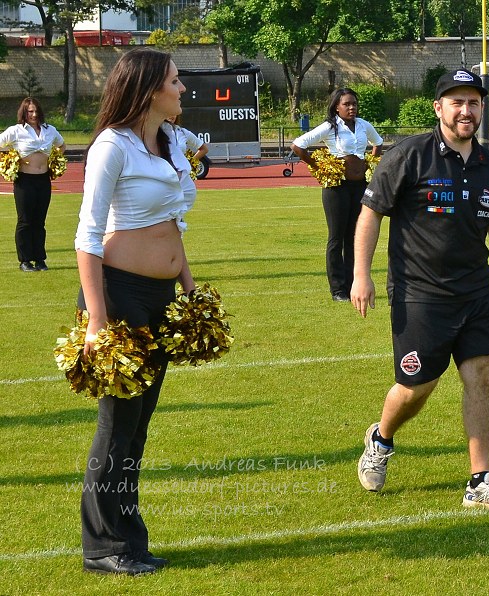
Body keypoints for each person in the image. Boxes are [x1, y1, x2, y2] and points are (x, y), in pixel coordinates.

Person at [352, 68, 489, 511]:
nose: (466, 110)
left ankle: (480, 481)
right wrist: (361, 274)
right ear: (439, 108)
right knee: (416, 388)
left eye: (473, 102)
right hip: (419, 294)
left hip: (476, 292)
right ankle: (382, 438)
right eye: (456, 102)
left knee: (482, 377)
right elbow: (371, 214)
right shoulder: (409, 156)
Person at [75, 48, 196, 576]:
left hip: (162, 296)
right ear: (149, 89)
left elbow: (174, 225)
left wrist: (190, 291)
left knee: (139, 425)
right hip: (118, 294)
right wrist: (98, 321)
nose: (183, 89)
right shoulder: (112, 146)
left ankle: (129, 537)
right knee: (118, 423)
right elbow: (87, 236)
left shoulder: (168, 140)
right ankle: (102, 545)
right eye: (175, 80)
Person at [291, 88, 383, 301]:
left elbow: (377, 143)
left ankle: (353, 285)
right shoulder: (329, 127)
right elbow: (298, 145)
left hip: (360, 186)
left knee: (355, 236)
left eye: (354, 104)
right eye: (347, 104)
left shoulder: (363, 125)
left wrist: (370, 163)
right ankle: (338, 290)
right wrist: (319, 166)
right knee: (336, 238)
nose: (352, 108)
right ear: (336, 107)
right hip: (336, 187)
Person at [0, 97, 66, 272]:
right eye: (30, 111)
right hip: (24, 181)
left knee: (39, 221)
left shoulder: (49, 130)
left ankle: (40, 259)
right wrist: (10, 158)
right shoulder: (16, 131)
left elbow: (62, 145)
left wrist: (54, 160)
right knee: (25, 221)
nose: (34, 114)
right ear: (24, 112)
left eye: (36, 111)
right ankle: (25, 261)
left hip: (43, 180)